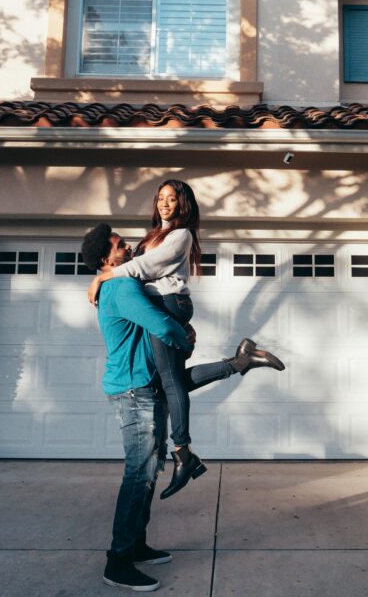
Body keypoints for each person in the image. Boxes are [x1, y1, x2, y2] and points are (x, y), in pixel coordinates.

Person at [82, 224, 283, 592]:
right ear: (104, 259)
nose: (127, 246)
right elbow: (161, 325)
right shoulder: (122, 286)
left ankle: (136, 545)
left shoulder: (121, 283)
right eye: (118, 245)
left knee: (148, 471)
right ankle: (118, 561)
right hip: (133, 391)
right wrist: (185, 338)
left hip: (145, 385)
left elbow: (167, 354)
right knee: (138, 475)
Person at [87, 180, 284, 499]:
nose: (165, 203)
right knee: (173, 380)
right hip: (162, 304)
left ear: (183, 203)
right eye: (161, 197)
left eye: (172, 198)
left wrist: (103, 276)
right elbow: (139, 265)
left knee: (170, 381)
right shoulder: (154, 234)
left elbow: (146, 266)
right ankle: (241, 361)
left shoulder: (181, 234)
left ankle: (183, 451)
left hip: (168, 302)